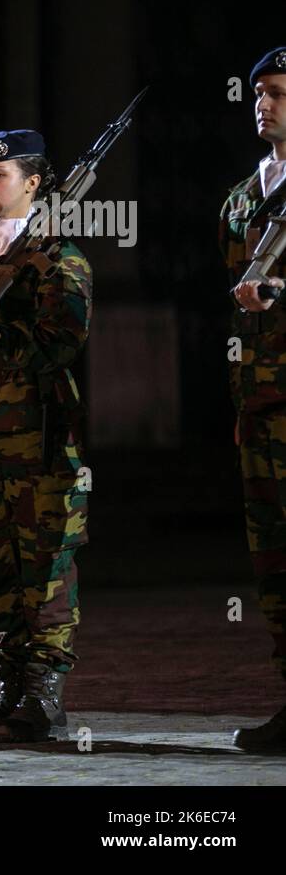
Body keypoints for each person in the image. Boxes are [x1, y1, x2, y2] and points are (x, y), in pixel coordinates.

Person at [0, 129, 91, 744]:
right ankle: (9, 689)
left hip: (39, 436)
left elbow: (62, 343)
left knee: (46, 564)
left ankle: (44, 695)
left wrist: (1, 336)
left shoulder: (60, 259)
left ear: (33, 184)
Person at [223, 46, 286, 753]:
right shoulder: (241, 200)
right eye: (257, 92)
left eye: (276, 91)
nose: (263, 103)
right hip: (262, 402)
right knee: (274, 560)